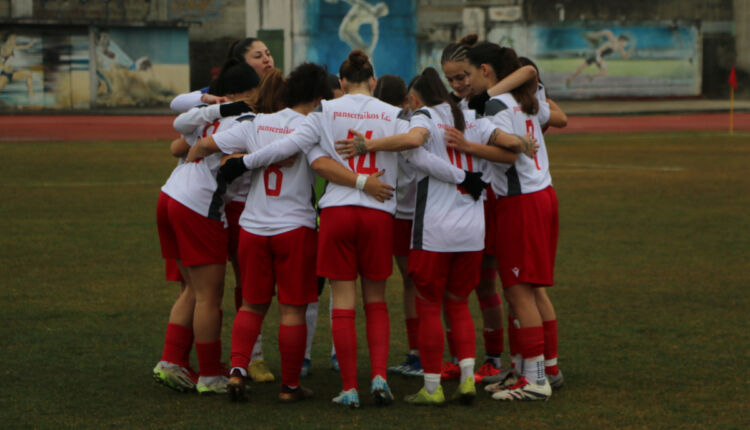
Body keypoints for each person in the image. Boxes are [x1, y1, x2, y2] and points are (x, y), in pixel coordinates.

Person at [216, 50, 484, 408]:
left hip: (337, 213)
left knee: (342, 302)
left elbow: (293, 147)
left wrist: (244, 162)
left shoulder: (325, 111)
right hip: (378, 212)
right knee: (375, 302)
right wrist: (461, 175)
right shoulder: (394, 113)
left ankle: (349, 387)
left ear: (340, 84)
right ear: (373, 82)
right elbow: (417, 148)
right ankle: (377, 378)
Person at [335, 67, 536, 406]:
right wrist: (521, 143)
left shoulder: (425, 117)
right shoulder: (472, 116)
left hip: (436, 230)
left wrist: (367, 144)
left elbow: (414, 148)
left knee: (429, 305)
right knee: (458, 304)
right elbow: (509, 148)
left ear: (414, 98)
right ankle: (468, 379)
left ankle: (431, 388)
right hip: (473, 230)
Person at [153, 61, 260, 394]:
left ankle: (171, 361)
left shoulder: (209, 114)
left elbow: (179, 123)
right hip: (198, 205)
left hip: (169, 195)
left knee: (191, 288)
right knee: (208, 296)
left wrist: (213, 107)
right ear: (247, 91)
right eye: (257, 89)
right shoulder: (247, 120)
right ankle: (211, 374)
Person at [440, 34, 539, 383]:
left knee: (501, 284)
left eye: (463, 75)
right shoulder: (453, 106)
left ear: (479, 71)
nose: (459, 83)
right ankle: (465, 356)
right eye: (451, 78)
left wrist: (486, 94)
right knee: (462, 286)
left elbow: (530, 75)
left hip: (498, 200)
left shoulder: (486, 101)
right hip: (468, 203)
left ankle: (504, 360)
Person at [465, 42, 561, 401]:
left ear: (486, 71)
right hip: (542, 195)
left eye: (470, 74)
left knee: (519, 290)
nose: (468, 82)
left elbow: (504, 151)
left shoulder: (492, 104)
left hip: (522, 202)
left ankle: (536, 380)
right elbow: (553, 115)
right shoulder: (525, 98)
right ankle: (528, 369)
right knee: (527, 288)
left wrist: (472, 145)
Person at [170, 37, 275, 113]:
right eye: (258, 56)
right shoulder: (222, 91)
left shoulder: (280, 88)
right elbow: (176, 103)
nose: (267, 59)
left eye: (268, 54)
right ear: (241, 64)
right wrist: (205, 99)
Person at [566, 29, 636, 85]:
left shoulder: (619, 47)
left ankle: (572, 78)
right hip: (598, 54)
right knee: (604, 71)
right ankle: (590, 76)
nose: (626, 44)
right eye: (626, 43)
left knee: (582, 68)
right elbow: (608, 32)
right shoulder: (614, 41)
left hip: (597, 55)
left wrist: (631, 50)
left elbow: (626, 56)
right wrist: (596, 35)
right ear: (622, 40)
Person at [0, 34, 35, 98]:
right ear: (8, 39)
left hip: (13, 73)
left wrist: (31, 44)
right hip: (5, 74)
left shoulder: (13, 47)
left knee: (29, 74)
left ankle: (31, 95)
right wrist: (3, 65)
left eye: (15, 39)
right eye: (13, 39)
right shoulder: (2, 49)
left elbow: (24, 47)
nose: (15, 41)